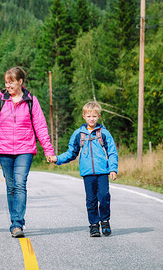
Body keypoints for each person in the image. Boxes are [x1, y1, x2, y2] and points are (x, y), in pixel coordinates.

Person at [0, 66, 54, 238]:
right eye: (6, 83)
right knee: (11, 187)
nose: (8, 86)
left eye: (11, 82)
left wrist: (48, 150)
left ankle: (17, 224)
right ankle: (15, 222)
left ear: (20, 81)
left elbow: (41, 126)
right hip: (5, 150)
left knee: (20, 184)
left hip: (25, 149)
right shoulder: (1, 100)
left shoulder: (31, 101)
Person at [47, 101, 118, 237]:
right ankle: (94, 225)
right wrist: (57, 158)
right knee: (91, 200)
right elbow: (71, 153)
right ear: (84, 116)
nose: (92, 119)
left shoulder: (104, 133)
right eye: (89, 116)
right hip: (87, 173)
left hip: (103, 171)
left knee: (104, 197)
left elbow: (112, 152)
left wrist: (113, 169)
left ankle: (105, 221)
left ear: (99, 116)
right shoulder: (78, 134)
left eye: (94, 116)